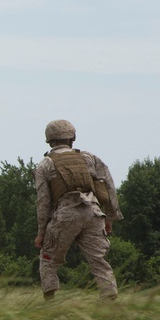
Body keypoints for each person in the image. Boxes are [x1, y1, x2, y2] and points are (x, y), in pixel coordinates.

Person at [34, 119, 123, 300]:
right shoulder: (89, 158)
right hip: (94, 212)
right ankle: (110, 297)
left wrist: (41, 232)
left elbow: (43, 201)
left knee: (48, 258)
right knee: (99, 260)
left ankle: (50, 302)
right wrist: (109, 217)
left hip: (66, 214)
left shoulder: (45, 164)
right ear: (72, 138)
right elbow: (108, 185)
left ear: (49, 140)